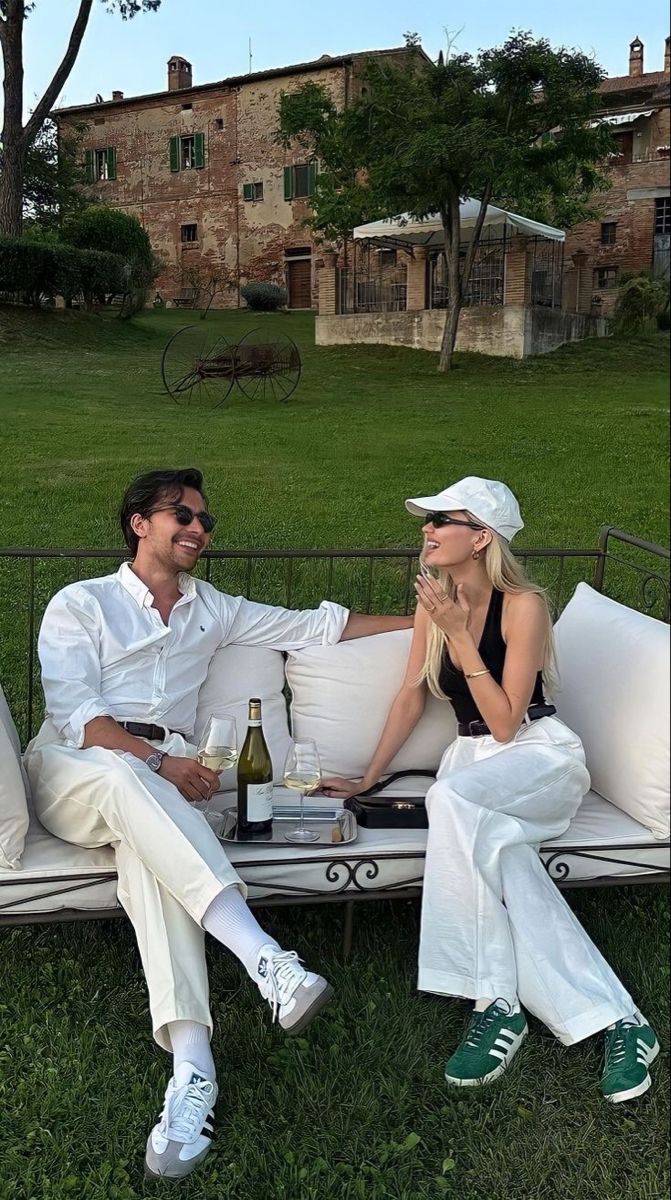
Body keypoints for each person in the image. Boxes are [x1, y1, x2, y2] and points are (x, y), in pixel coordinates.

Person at [24, 467, 413, 1181]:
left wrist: (423, 625)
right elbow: (78, 715)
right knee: (123, 775)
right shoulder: (81, 604)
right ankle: (266, 959)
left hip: (159, 785)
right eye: (183, 515)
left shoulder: (213, 609)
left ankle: (193, 1071)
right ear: (140, 522)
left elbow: (318, 626)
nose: (199, 530)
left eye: (206, 521)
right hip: (76, 768)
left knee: (151, 859)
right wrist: (159, 762)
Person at [322, 477, 659, 1104]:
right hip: (471, 764)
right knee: (499, 852)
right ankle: (620, 1019)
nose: (426, 529)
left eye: (441, 520)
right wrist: (367, 779)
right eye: (427, 520)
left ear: (481, 538)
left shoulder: (523, 605)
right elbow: (410, 694)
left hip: (537, 757)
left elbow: (507, 721)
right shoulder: (433, 601)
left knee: (451, 803)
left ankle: (493, 1000)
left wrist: (459, 634)